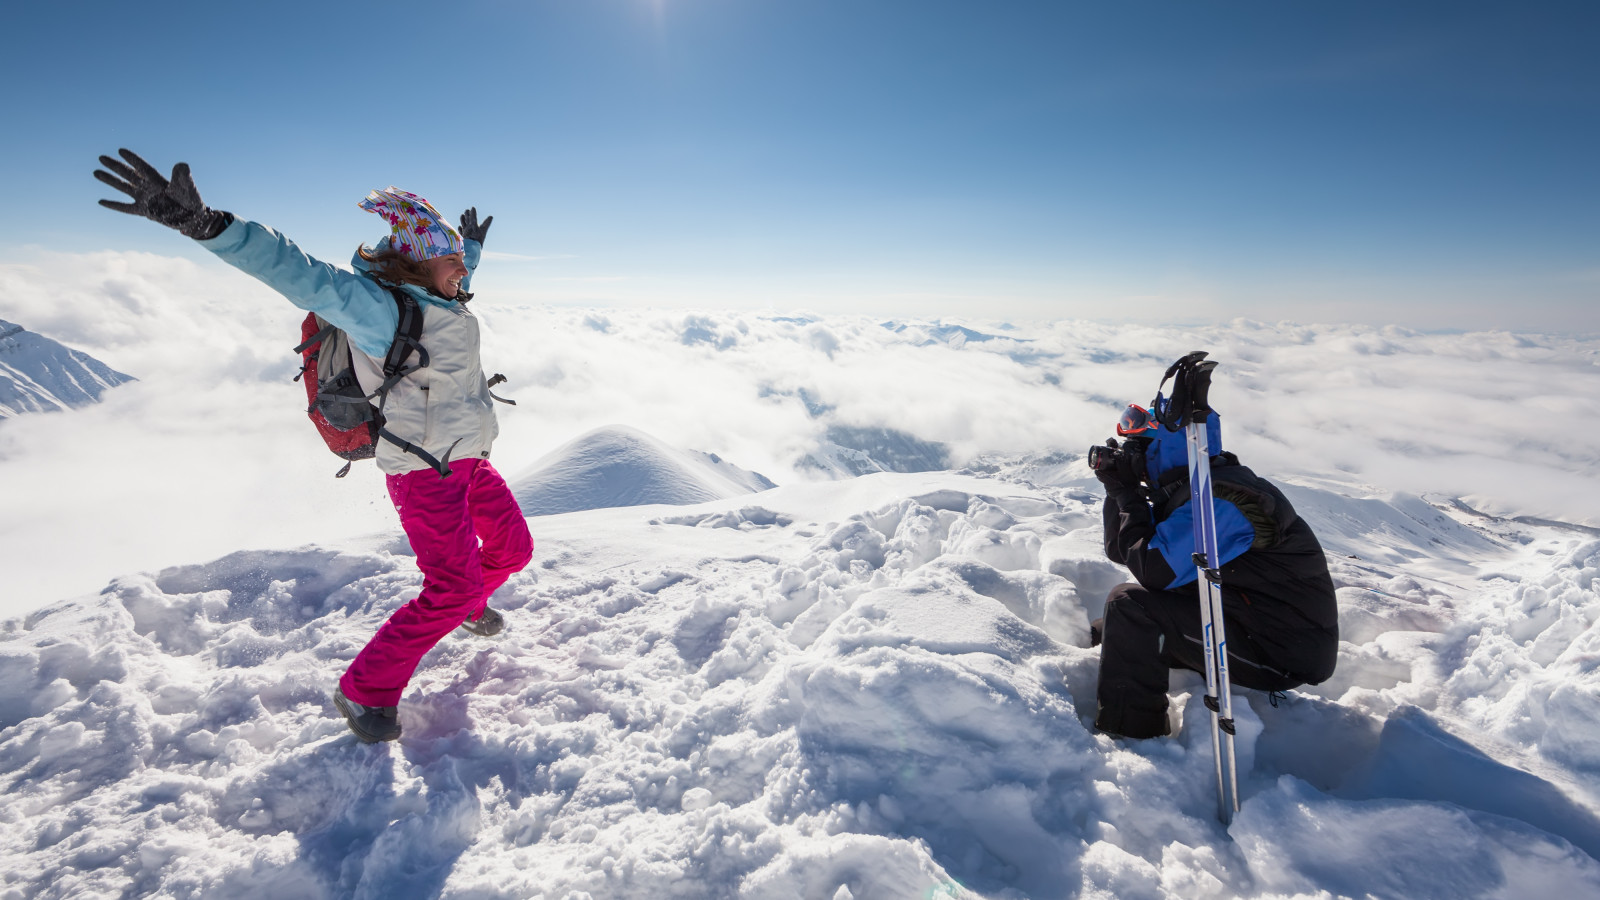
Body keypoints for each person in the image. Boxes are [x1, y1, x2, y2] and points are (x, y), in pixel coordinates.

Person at [93, 149, 534, 743]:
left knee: (512, 549)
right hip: (423, 471)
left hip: (468, 460)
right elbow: (296, 270)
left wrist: (469, 252)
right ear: (419, 264)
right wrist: (208, 225)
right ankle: (363, 691)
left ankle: (466, 605)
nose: (463, 270)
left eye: (461, 259)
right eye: (453, 258)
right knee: (450, 586)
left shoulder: (440, 295)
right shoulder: (378, 310)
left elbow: (454, 270)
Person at [1090, 398, 1338, 739]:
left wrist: (1128, 494)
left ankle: (1132, 735)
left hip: (1279, 652)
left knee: (1130, 606)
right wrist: (1119, 492)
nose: (1133, 458)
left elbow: (1152, 569)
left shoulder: (1223, 502)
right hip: (1244, 621)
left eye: (1140, 448)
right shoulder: (1190, 489)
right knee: (1111, 626)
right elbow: (1123, 551)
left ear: (1168, 450)